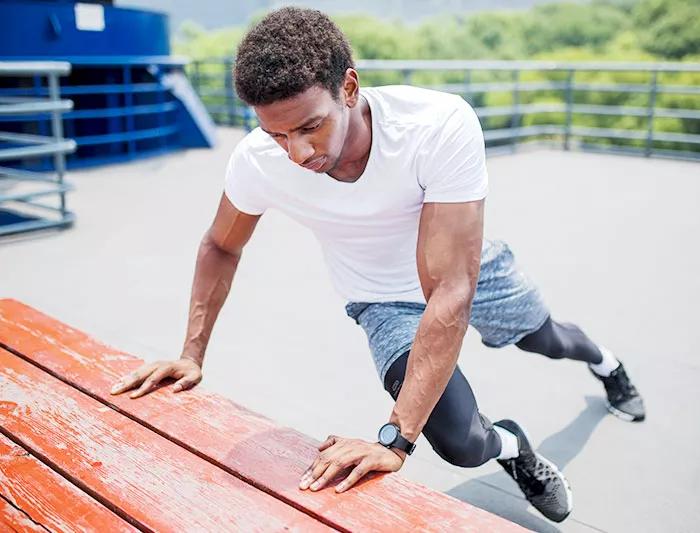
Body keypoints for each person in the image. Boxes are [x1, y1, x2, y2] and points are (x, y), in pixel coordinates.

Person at [110, 7, 645, 523]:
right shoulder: (258, 160)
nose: (296, 153)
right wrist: (191, 352)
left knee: (545, 339)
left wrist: (393, 439)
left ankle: (606, 362)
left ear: (349, 87)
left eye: (309, 127)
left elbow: (451, 289)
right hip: (381, 300)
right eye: (278, 135)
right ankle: (515, 445)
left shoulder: (436, 125)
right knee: (459, 442)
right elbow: (220, 245)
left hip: (463, 273)